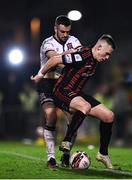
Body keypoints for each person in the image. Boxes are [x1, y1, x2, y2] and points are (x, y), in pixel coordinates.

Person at [31, 34, 116, 169]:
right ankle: (67, 141)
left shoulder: (95, 60)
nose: (107, 57)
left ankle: (103, 154)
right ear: (99, 47)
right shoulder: (82, 55)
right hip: (61, 91)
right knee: (85, 106)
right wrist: (40, 75)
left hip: (75, 94)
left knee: (109, 116)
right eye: (107, 54)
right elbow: (54, 60)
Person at [36, 15, 82, 168]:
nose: (65, 34)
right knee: (51, 114)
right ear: (55, 28)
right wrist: (72, 57)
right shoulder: (47, 43)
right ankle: (51, 158)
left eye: (67, 31)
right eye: (62, 31)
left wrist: (76, 58)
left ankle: (66, 155)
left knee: (73, 119)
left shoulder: (74, 41)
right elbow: (55, 59)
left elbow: (81, 58)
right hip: (47, 83)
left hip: (65, 85)